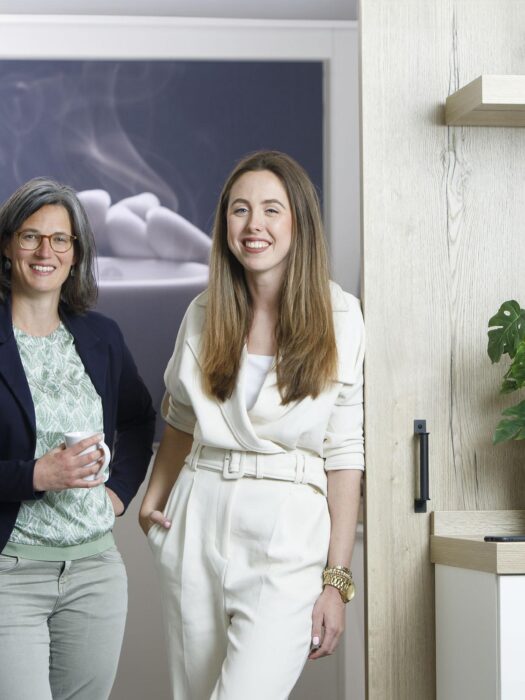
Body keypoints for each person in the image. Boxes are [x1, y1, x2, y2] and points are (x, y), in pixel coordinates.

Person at [140, 151, 364, 700]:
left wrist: (336, 580)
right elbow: (181, 417)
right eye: (239, 210)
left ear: (299, 222)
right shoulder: (203, 312)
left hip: (287, 529)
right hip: (197, 519)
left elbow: (344, 452)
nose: (253, 225)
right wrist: (154, 499)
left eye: (271, 209)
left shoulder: (341, 316)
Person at [0, 177, 155, 700]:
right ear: (8, 246)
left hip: (95, 572)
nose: (45, 251)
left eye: (60, 239)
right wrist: (36, 475)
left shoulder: (100, 335)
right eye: (30, 236)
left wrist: (118, 493)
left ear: (76, 253)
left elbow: (139, 418)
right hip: (10, 571)